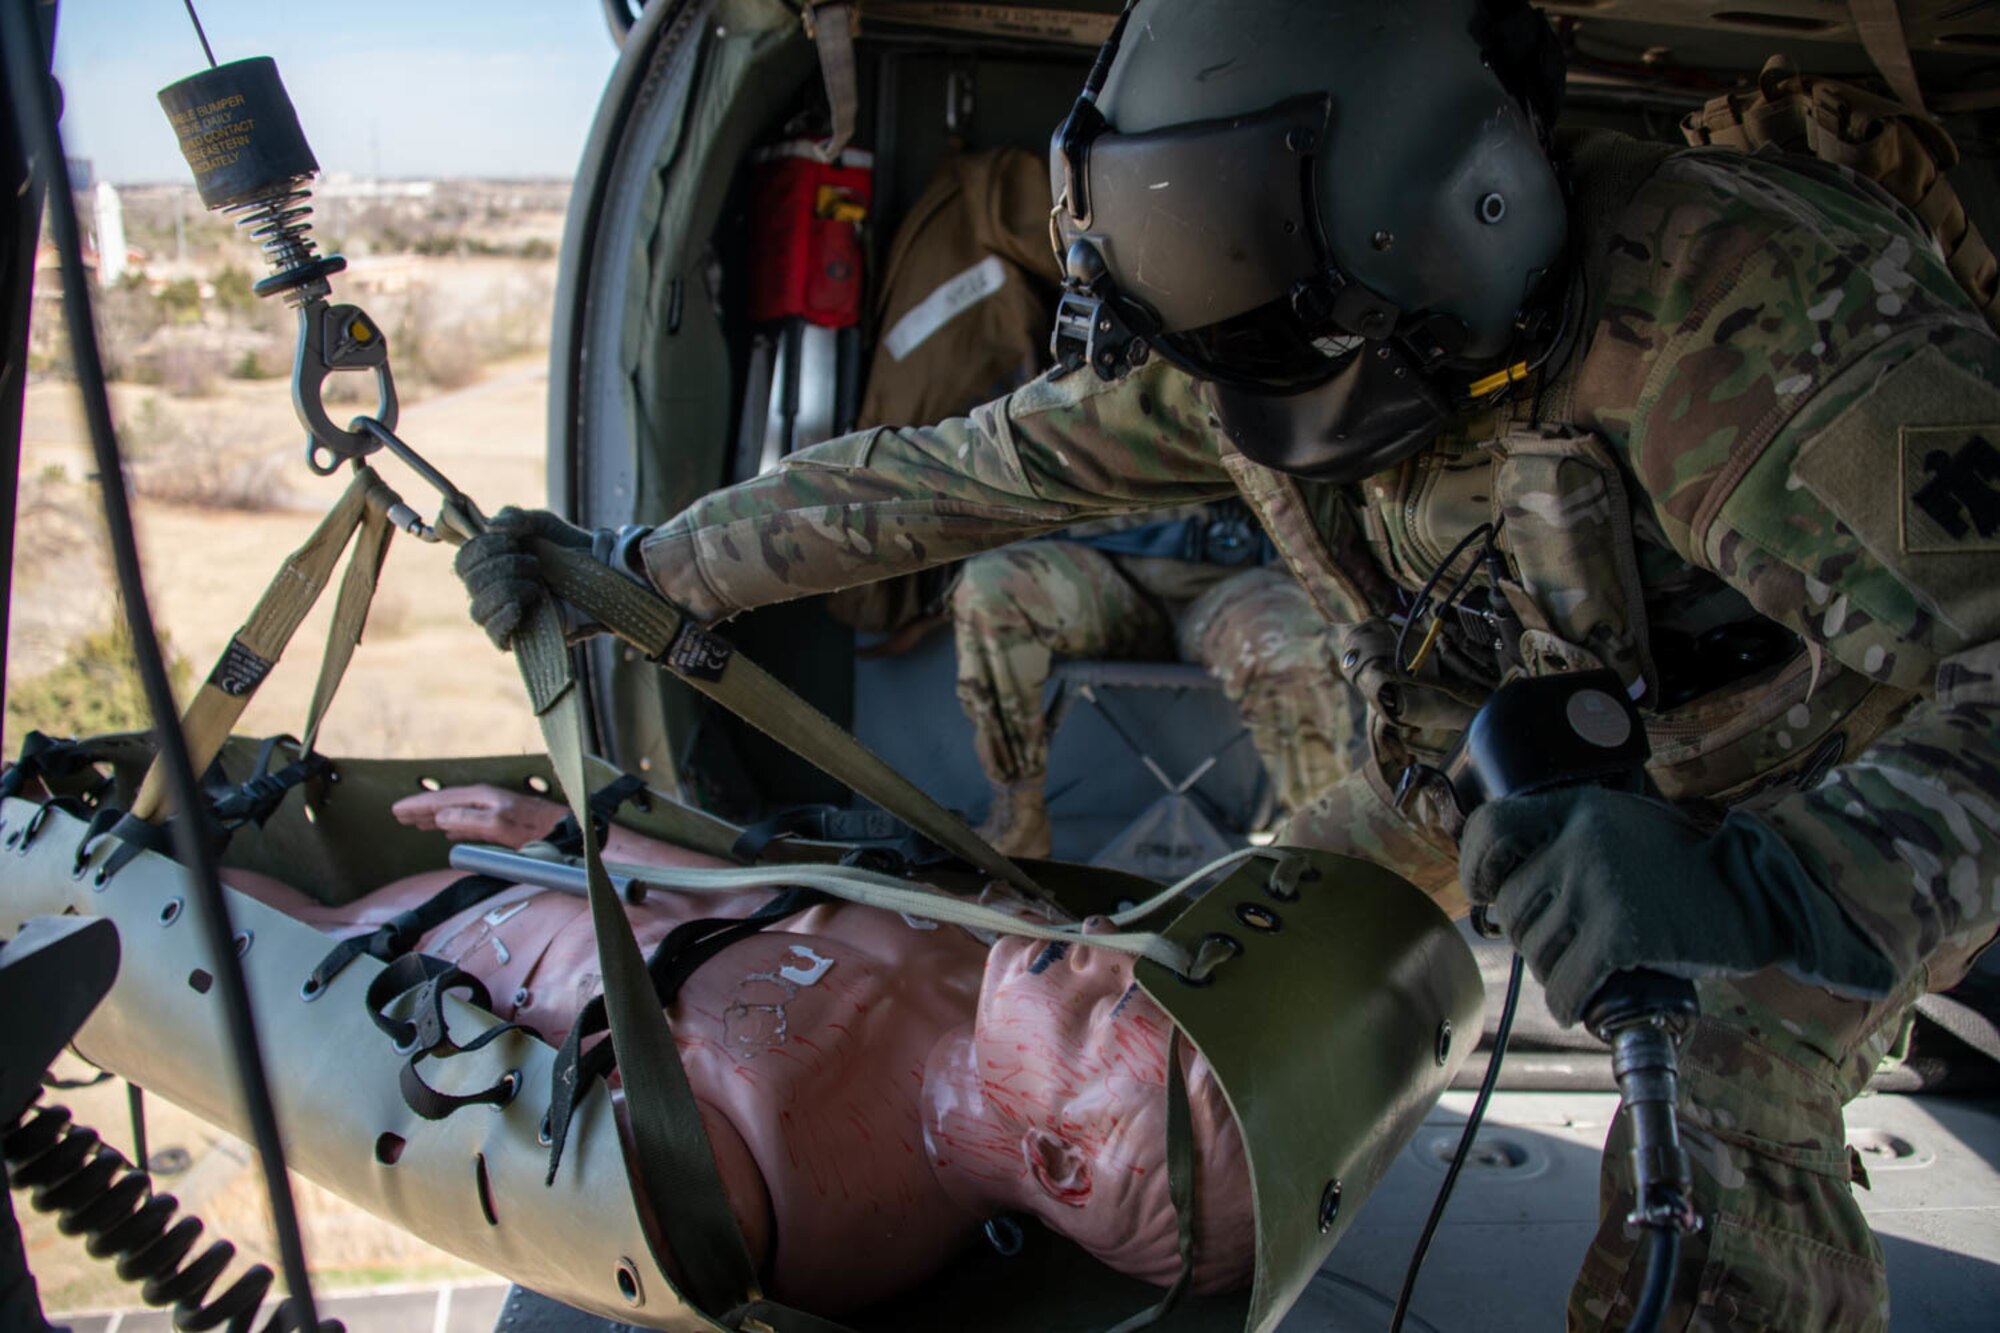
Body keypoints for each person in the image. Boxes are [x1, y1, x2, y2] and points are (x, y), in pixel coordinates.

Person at [456, 1, 2000, 1327]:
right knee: (1220, 957)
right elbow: (946, 478)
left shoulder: (1748, 325)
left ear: (1459, 218)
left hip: (1804, 793)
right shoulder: (1249, 337)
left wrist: (1793, 886)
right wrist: (638, 570)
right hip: (1483, 759)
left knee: (1727, 1086)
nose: (1277, 409)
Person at [225, 783, 1253, 1313]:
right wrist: (566, 830)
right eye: (1134, 985)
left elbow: (487, 1123)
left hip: (420, 960)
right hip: (521, 885)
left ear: (1057, 1160)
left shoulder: (794, 1197)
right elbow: (766, 896)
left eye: (1098, 1012)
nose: (1099, 957)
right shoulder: (992, 959)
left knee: (226, 925)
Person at [952, 507, 1363, 856]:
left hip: (1243, 582)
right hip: (1110, 567)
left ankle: (1327, 852)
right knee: (991, 587)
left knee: (1283, 643)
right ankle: (1017, 818)